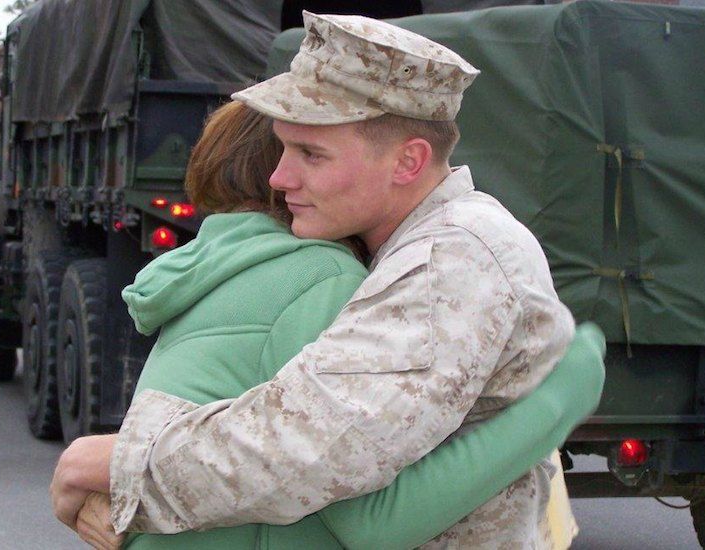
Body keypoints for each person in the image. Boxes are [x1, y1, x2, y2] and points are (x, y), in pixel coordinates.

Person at [52, 11, 579, 547]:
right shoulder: (416, 246)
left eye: (311, 153)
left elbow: (308, 447)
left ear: (408, 162)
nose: (280, 178)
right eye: (283, 148)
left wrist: (118, 466)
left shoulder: (454, 257)